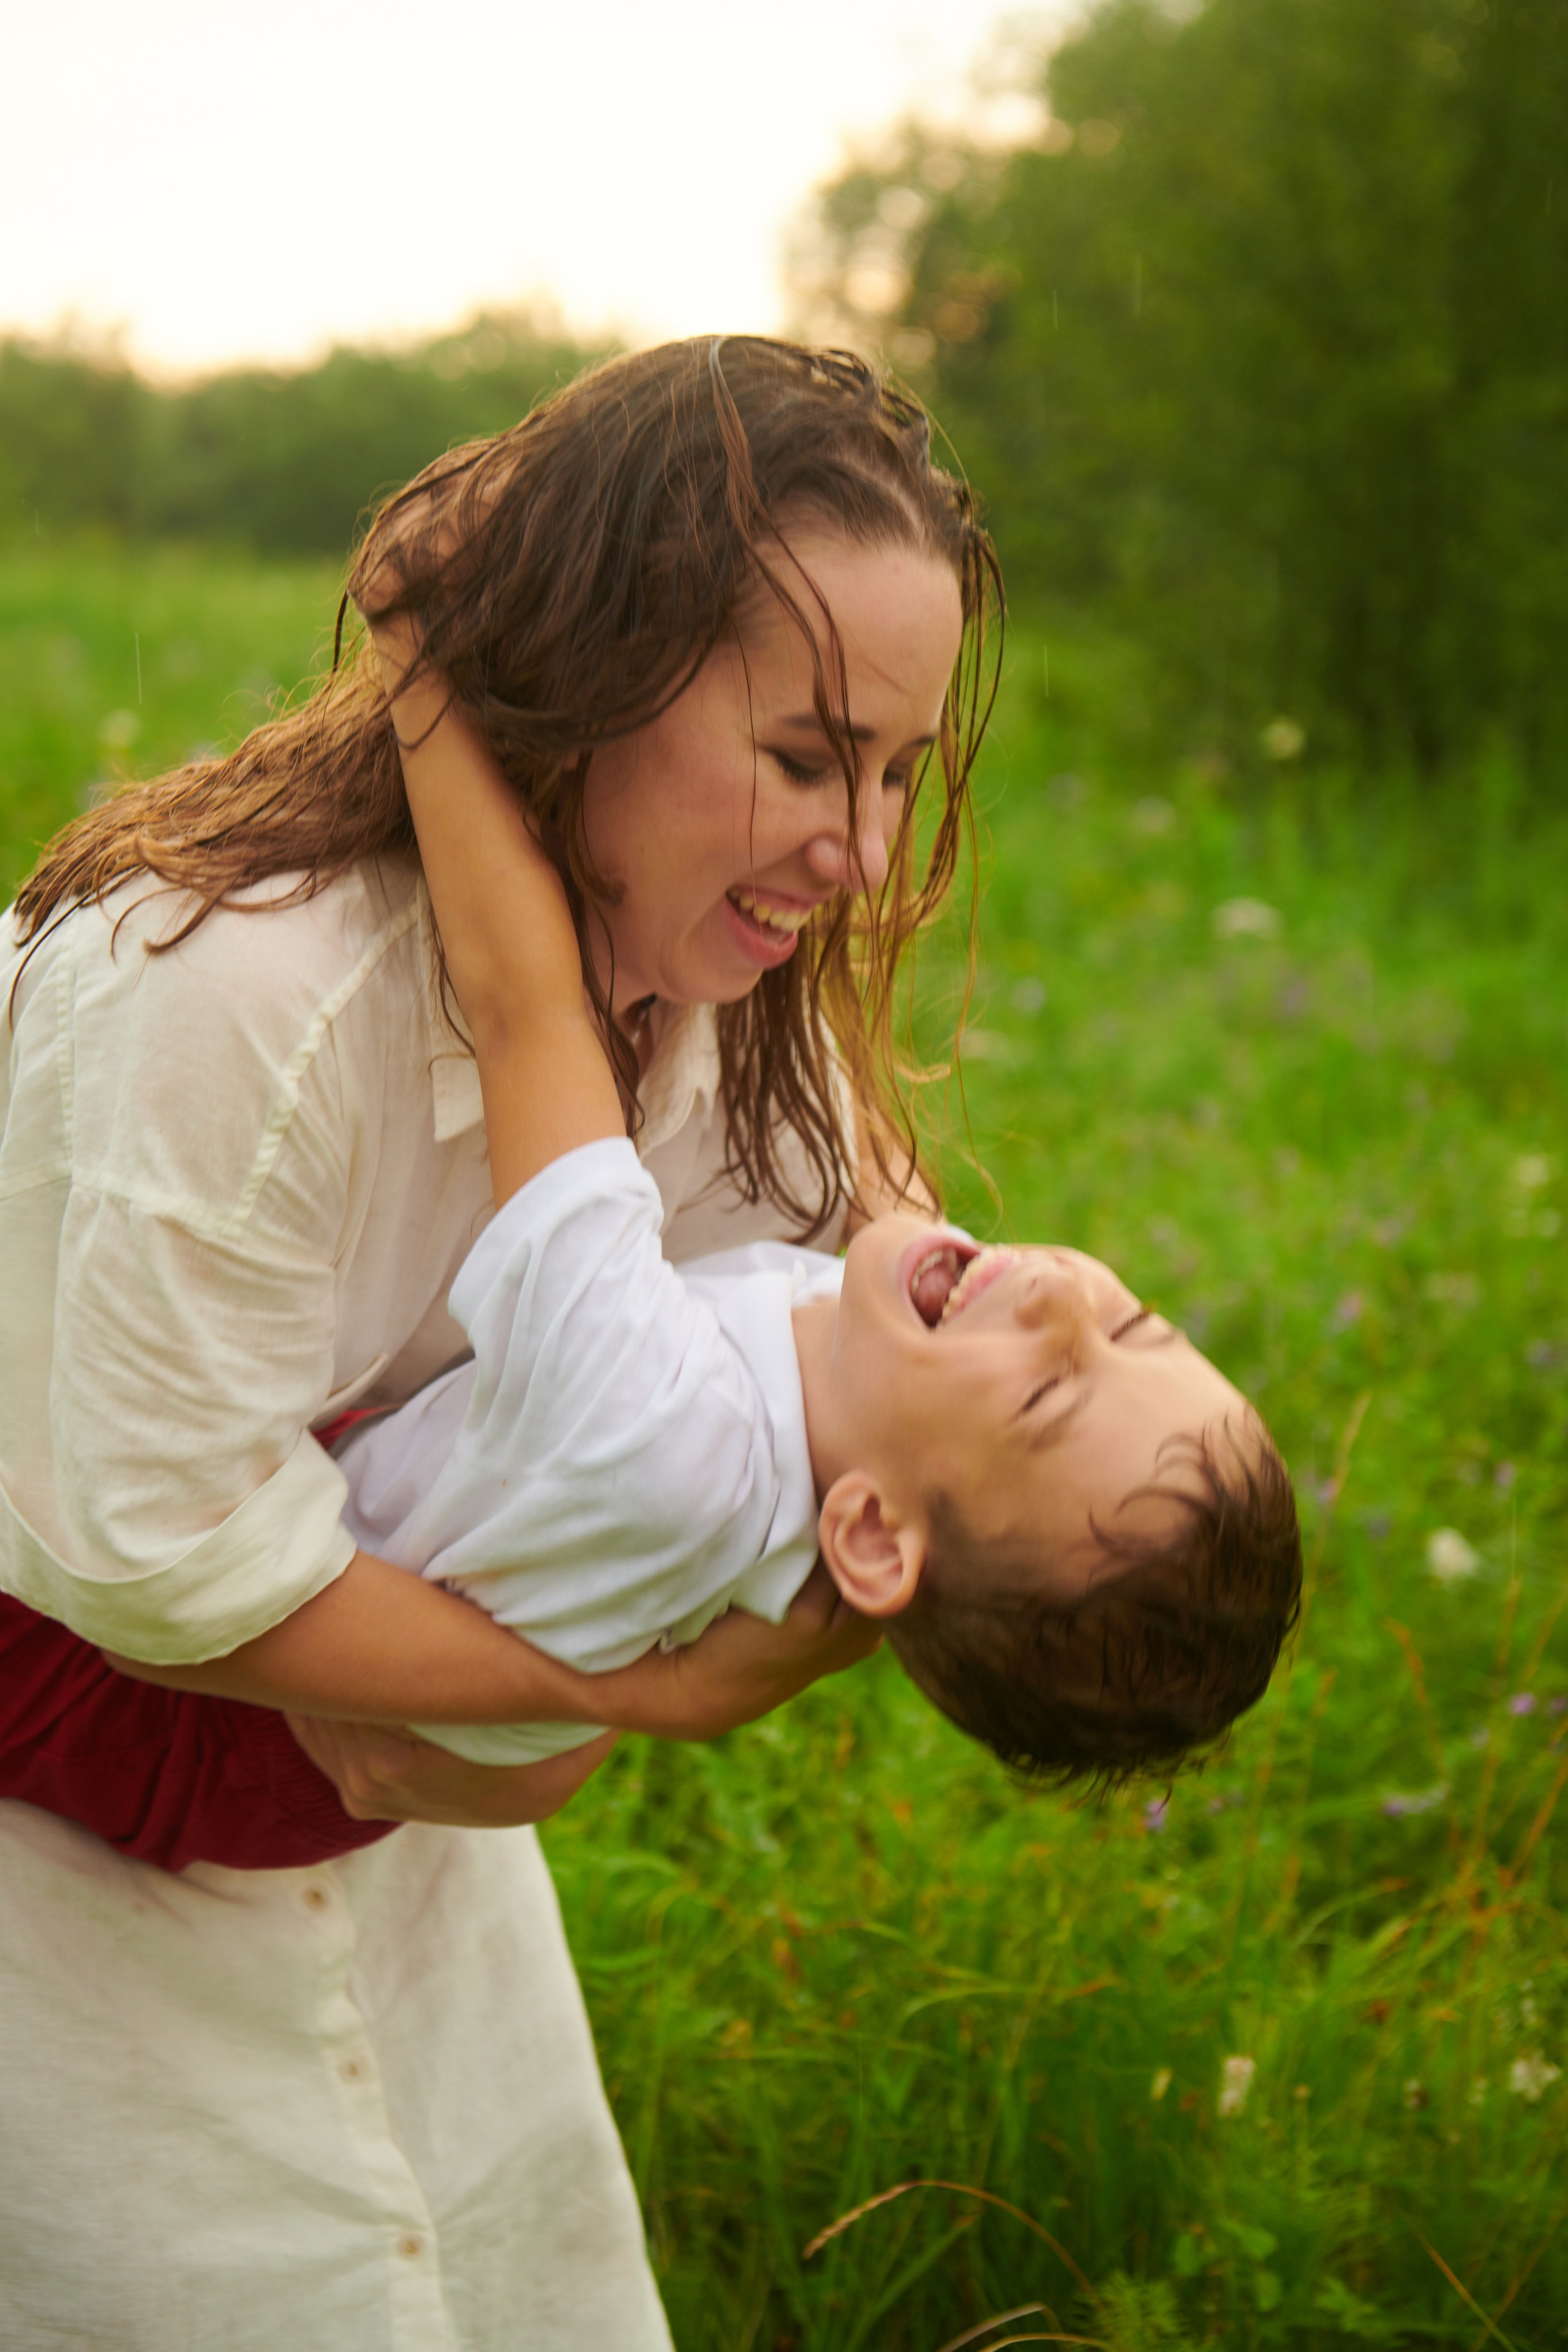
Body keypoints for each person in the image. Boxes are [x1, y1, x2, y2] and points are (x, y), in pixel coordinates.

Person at [0, 337, 1000, 2352]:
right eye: (809, 759)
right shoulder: (243, 997)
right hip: (57, 1779)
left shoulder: (679, 992)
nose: (868, 852)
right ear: (597, 673)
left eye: (899, 772)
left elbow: (857, 1273)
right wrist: (628, 1688)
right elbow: (148, 1549)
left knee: (506, 2270)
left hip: (366, 1769)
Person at [162, 612, 1298, 1791]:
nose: (1066, 1297)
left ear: (865, 1536)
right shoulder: (880, 1393)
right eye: (1134, 1326)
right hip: (326, 1643)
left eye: (1053, 1391)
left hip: (222, 1720)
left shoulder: (668, 1442)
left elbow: (528, 1009)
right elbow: (888, 1189)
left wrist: (417, 638)